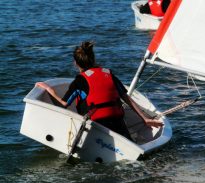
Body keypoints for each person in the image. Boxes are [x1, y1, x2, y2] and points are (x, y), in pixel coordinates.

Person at [35, 41, 163, 140]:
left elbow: (64, 104)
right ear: (93, 58)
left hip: (96, 124)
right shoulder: (108, 74)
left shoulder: (80, 80)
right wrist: (145, 118)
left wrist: (49, 89)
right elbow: (126, 97)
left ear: (76, 63)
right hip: (118, 121)